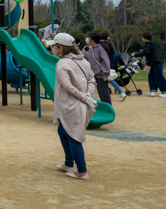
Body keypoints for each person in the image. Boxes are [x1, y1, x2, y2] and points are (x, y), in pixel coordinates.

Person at [46, 33, 96, 181]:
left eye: (53, 46)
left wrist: (82, 96)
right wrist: (87, 95)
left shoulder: (62, 64)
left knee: (74, 137)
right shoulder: (84, 61)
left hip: (70, 105)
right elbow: (92, 80)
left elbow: (67, 86)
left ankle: (82, 171)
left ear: (60, 48)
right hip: (82, 104)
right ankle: (68, 163)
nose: (52, 49)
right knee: (63, 131)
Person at [132, 32, 166, 98]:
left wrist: (135, 54)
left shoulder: (149, 44)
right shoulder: (151, 44)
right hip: (155, 62)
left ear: (144, 38)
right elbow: (149, 54)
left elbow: (147, 53)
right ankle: (152, 91)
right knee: (151, 76)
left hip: (156, 62)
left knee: (159, 76)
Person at [97, 30, 125, 101]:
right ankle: (104, 95)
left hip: (102, 64)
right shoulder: (109, 44)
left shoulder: (100, 44)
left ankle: (120, 92)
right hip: (109, 63)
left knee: (106, 79)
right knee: (107, 79)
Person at [85, 32, 112, 105]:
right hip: (93, 74)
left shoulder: (100, 48)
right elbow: (89, 60)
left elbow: (105, 61)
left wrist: (105, 74)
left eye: (89, 38)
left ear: (92, 40)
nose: (88, 39)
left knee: (104, 94)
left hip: (100, 75)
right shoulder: (91, 49)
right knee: (98, 93)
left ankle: (108, 110)